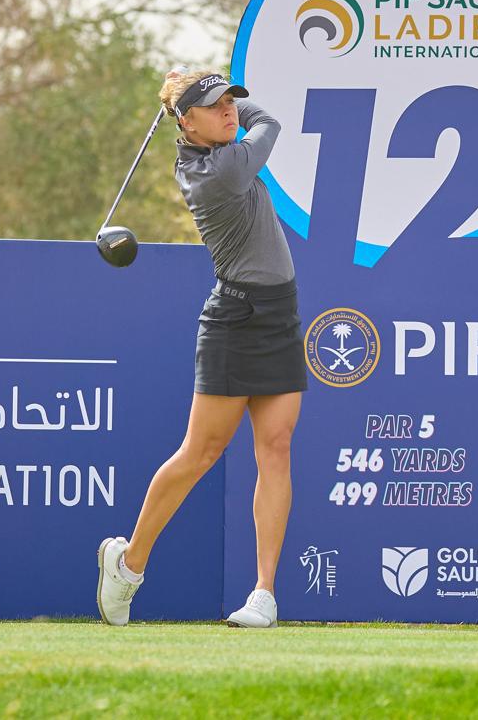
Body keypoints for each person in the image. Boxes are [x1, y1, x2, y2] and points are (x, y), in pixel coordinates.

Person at [95, 69, 306, 628]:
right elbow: (270, 121)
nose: (230, 110)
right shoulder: (218, 171)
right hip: (235, 320)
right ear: (186, 123)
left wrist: (203, 91)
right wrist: (193, 96)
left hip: (280, 315)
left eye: (231, 100)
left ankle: (264, 594)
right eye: (215, 106)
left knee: (276, 446)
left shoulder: (218, 149)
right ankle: (128, 564)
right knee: (201, 453)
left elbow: (245, 116)